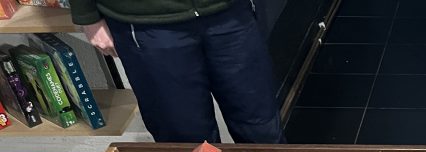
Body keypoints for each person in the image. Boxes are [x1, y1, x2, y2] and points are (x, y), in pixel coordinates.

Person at [69, 0, 284, 144]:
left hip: (230, 13)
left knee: (261, 123)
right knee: (184, 137)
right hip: (145, 20)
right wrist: (87, 15)